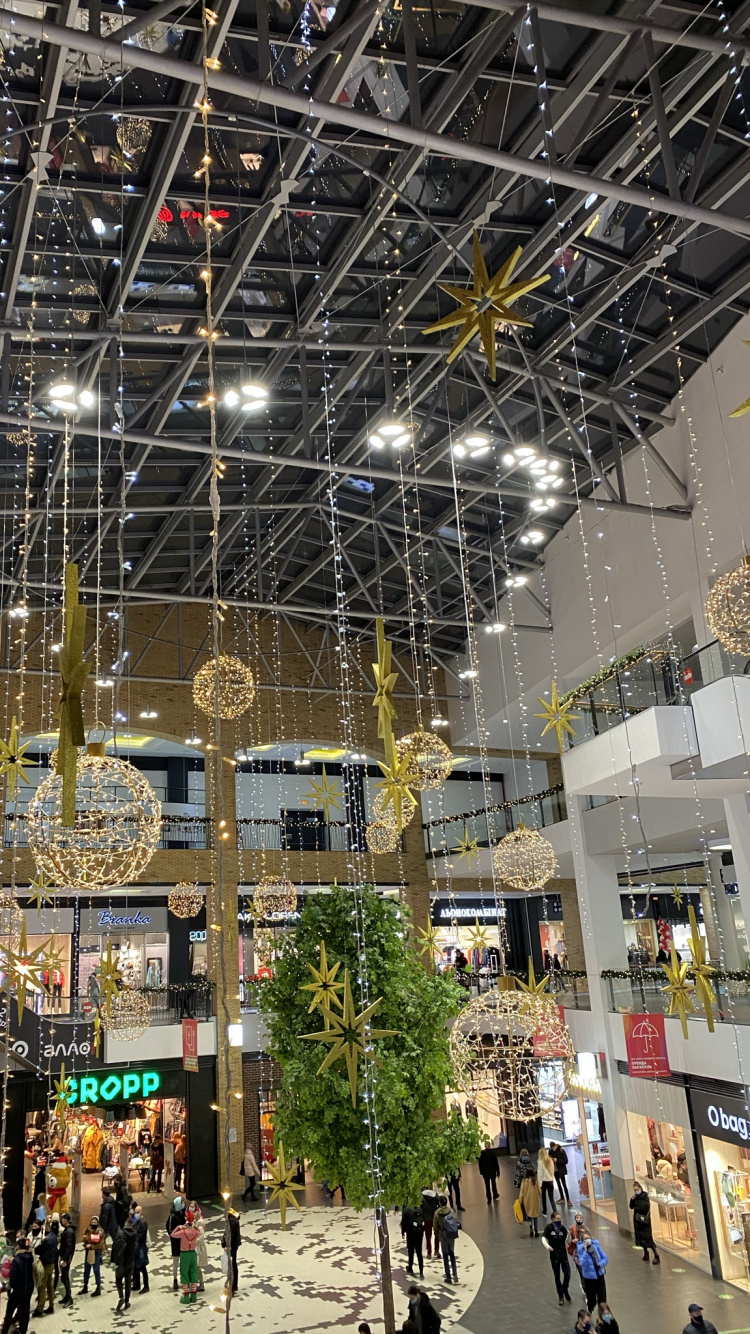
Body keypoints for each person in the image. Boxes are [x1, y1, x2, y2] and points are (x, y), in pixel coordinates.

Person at [1, 1235, 34, 1334]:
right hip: (28, 1289)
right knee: (25, 1311)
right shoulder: (31, 1257)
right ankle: (23, 1330)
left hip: (18, 1290)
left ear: (19, 1247)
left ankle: (5, 1331)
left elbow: (13, 1277)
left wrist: (10, 1287)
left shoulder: (17, 1260)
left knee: (9, 1311)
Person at [170, 1212, 201, 1305]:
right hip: (193, 1254)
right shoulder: (196, 1232)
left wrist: (179, 1227)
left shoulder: (183, 1232)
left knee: (184, 1273)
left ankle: (186, 1295)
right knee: (194, 1272)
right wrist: (194, 1226)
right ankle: (194, 1295)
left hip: (184, 1254)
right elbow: (199, 1231)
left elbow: (172, 1234)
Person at [543, 1211, 571, 1305]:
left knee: (567, 1274)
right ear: (553, 1219)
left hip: (563, 1255)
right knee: (557, 1276)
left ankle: (565, 1288)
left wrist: (569, 1236)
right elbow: (543, 1238)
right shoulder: (549, 1228)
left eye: (560, 1219)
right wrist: (548, 1246)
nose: (559, 1221)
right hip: (554, 1255)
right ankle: (560, 1295)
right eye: (557, 1219)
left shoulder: (562, 1228)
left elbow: (567, 1240)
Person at [576, 1229, 608, 1313]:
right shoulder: (580, 1249)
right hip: (589, 1279)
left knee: (602, 1299)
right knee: (592, 1300)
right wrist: (585, 1252)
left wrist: (600, 1264)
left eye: (588, 1238)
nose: (587, 1240)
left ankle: (602, 1315)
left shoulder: (596, 1245)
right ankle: (590, 1311)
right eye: (585, 1239)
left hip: (599, 1276)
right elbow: (582, 1264)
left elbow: (605, 1258)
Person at [629, 1182, 660, 1264]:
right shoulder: (635, 1197)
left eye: (637, 1190)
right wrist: (632, 1199)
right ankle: (646, 1253)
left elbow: (645, 1207)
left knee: (648, 1238)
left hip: (644, 1222)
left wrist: (636, 1207)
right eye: (635, 1190)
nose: (636, 1191)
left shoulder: (645, 1197)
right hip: (637, 1221)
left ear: (640, 1188)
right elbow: (631, 1206)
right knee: (641, 1239)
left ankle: (656, 1255)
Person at [111, 1214, 137, 1313]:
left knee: (118, 1280)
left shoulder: (120, 1233)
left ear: (126, 1223)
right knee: (128, 1281)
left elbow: (115, 1247)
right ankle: (127, 1301)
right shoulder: (134, 1234)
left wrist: (113, 1260)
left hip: (121, 1262)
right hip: (130, 1261)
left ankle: (121, 1296)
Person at [433, 1193, 460, 1285]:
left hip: (443, 1235)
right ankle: (455, 1274)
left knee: (445, 1256)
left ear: (440, 1203)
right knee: (452, 1253)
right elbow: (455, 1222)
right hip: (451, 1234)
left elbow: (435, 1227)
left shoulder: (437, 1213)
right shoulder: (451, 1211)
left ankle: (448, 1277)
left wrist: (438, 1234)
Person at [33, 1219, 57, 1316]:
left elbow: (38, 1250)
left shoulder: (47, 1240)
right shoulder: (54, 1236)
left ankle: (40, 1309)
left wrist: (39, 1245)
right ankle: (51, 1306)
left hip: (45, 1265)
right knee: (50, 1286)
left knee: (42, 1287)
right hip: (51, 1264)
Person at [79, 1215, 106, 1296]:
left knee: (96, 1270)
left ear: (98, 1222)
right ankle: (85, 1286)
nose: (93, 1223)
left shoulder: (100, 1231)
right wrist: (85, 1241)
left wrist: (91, 1245)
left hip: (96, 1252)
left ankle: (98, 1288)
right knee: (86, 1270)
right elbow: (85, 1238)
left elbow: (100, 1244)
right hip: (89, 1252)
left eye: (95, 1222)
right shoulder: (88, 1229)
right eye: (92, 1222)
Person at [166, 1195, 186, 1290]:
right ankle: (175, 1279)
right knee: (175, 1261)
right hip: (175, 1242)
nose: (183, 1204)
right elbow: (169, 1229)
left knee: (183, 1261)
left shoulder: (183, 1213)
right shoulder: (172, 1216)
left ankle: (184, 1278)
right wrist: (178, 1232)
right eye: (182, 1203)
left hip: (183, 1241)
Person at [400, 1203, 425, 1278]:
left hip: (410, 1233)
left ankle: (410, 1268)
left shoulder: (406, 1210)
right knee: (419, 1252)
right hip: (419, 1234)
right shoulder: (420, 1209)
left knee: (411, 1251)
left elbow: (403, 1222)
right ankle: (421, 1272)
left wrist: (403, 1232)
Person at [58, 1211, 76, 1307]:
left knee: (65, 1277)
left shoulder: (69, 1231)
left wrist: (64, 1259)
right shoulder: (67, 1230)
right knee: (64, 1277)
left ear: (68, 1220)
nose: (62, 1221)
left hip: (66, 1258)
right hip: (65, 1256)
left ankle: (69, 1298)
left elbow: (69, 1247)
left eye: (64, 1219)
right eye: (62, 1219)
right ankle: (67, 1296)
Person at [131, 1204, 149, 1293]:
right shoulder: (135, 1221)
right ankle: (136, 1284)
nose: (136, 1214)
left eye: (138, 1212)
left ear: (141, 1212)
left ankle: (146, 1286)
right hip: (136, 1247)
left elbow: (140, 1235)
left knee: (142, 1267)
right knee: (135, 1267)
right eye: (135, 1212)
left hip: (141, 1247)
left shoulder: (143, 1222)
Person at [519, 1166, 541, 1237]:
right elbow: (539, 1191)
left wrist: (520, 1201)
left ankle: (531, 1230)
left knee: (529, 1216)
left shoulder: (524, 1181)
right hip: (535, 1201)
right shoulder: (535, 1181)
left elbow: (521, 1193)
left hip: (527, 1201)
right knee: (535, 1217)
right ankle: (536, 1231)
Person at [420, 1187, 439, 1260]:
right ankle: (436, 1250)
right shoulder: (435, 1195)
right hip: (435, 1218)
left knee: (428, 1237)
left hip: (427, 1218)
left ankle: (429, 1253)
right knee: (437, 1235)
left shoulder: (422, 1197)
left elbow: (420, 1208)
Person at [538, 1146, 556, 1215]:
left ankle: (545, 1211)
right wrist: (551, 1178)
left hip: (544, 1182)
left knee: (543, 1197)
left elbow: (540, 1174)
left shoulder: (540, 1162)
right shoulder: (550, 1160)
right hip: (550, 1181)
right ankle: (555, 1211)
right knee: (551, 1197)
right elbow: (552, 1171)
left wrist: (539, 1185)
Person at [227, 1207, 241, 1294]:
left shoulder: (231, 1220)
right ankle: (233, 1285)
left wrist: (227, 1245)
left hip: (232, 1246)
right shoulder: (233, 1218)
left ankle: (232, 1286)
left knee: (232, 1265)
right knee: (233, 1264)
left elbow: (230, 1234)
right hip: (234, 1245)